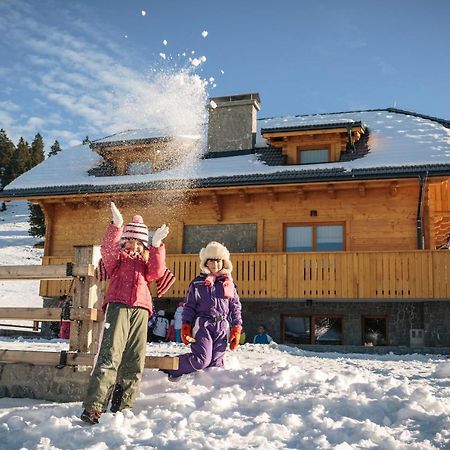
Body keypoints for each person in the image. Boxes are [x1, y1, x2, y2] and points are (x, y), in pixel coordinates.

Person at [80, 202, 169, 425]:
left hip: (141, 309)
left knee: (134, 360)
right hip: (118, 306)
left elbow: (157, 272)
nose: (134, 245)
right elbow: (107, 251)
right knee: (110, 355)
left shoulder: (146, 264)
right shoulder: (117, 260)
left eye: (139, 242)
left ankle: (122, 407)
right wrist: (116, 226)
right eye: (130, 240)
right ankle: (94, 406)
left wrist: (157, 244)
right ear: (124, 240)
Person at [164, 241, 242, 381]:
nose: (215, 264)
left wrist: (236, 327)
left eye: (218, 261)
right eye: (211, 261)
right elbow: (189, 306)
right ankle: (170, 365)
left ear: (223, 262)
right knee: (201, 360)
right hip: (203, 324)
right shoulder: (198, 283)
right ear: (206, 263)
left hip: (222, 326)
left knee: (216, 365)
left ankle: (206, 391)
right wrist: (186, 325)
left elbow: (235, 306)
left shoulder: (228, 283)